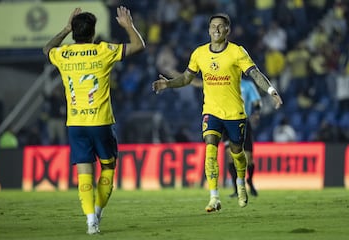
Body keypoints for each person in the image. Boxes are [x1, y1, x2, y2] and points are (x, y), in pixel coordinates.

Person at [152, 13, 282, 212]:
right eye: (213, 26)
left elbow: (255, 74)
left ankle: (240, 183)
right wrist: (168, 84)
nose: (216, 29)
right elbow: (187, 78)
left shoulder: (237, 52)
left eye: (221, 26)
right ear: (208, 29)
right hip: (211, 112)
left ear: (227, 30)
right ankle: (214, 197)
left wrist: (271, 91)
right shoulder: (199, 53)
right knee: (210, 150)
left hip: (235, 114)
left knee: (237, 153)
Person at [43, 6, 145, 234]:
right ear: (92, 33)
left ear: (75, 33)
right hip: (100, 122)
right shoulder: (103, 50)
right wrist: (129, 26)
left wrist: (64, 29)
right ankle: (97, 210)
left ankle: (91, 221)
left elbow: (47, 48)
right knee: (108, 168)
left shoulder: (63, 54)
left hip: (75, 124)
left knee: (84, 173)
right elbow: (138, 46)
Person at [224, 78, 262, 198]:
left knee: (249, 158)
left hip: (243, 122)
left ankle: (250, 180)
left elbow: (256, 102)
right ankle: (237, 189)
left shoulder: (248, 85)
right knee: (230, 156)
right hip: (227, 122)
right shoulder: (225, 83)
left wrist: (256, 114)